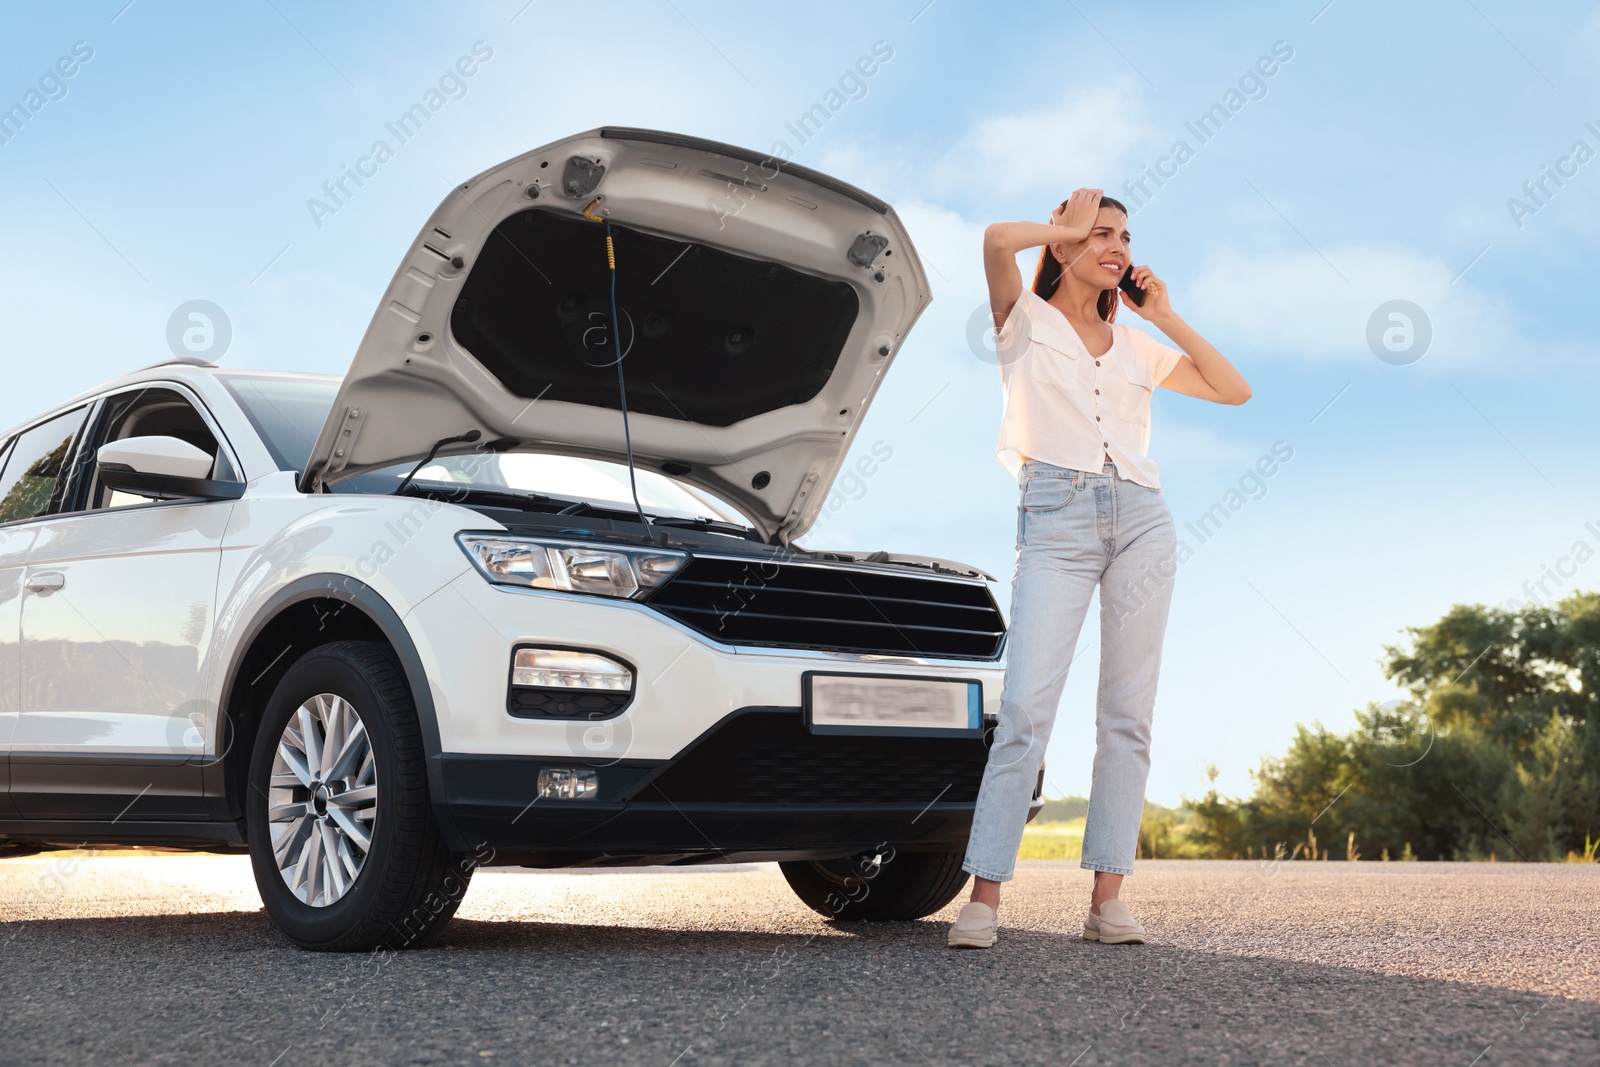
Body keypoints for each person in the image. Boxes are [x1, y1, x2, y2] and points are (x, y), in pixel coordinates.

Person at [947, 188, 1252, 950]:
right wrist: (1063, 229)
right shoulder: (1023, 321)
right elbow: (993, 238)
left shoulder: (1140, 348)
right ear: (1064, 243)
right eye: (1100, 233)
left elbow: (1233, 388)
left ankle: (1107, 898)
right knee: (1025, 710)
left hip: (1143, 516)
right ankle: (984, 897)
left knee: (1128, 712)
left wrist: (1164, 314)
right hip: (1054, 514)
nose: (1115, 245)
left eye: (1123, 235)